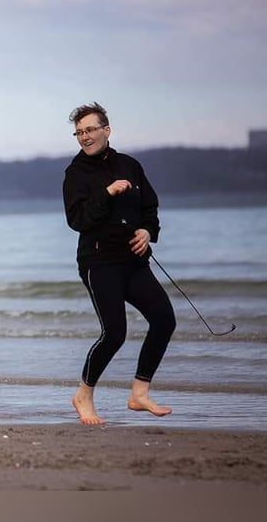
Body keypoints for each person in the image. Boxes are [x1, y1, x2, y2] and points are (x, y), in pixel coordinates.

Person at [62, 102, 176, 425]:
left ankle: (139, 393)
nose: (84, 137)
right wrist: (107, 193)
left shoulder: (130, 165)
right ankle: (83, 394)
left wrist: (147, 232)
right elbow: (78, 220)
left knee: (164, 320)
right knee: (115, 333)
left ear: (106, 130)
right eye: (79, 132)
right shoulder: (75, 174)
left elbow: (150, 206)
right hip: (98, 262)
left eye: (90, 130)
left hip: (134, 260)